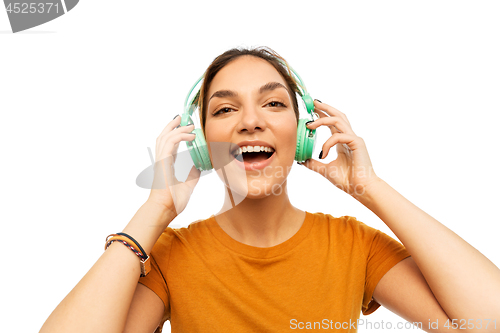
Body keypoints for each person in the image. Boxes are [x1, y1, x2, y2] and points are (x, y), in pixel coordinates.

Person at [39, 46, 500, 333]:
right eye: (224, 110)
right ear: (201, 144)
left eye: (274, 103)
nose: (250, 120)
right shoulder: (169, 257)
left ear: (302, 133)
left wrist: (370, 189)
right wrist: (156, 208)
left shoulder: (354, 246)